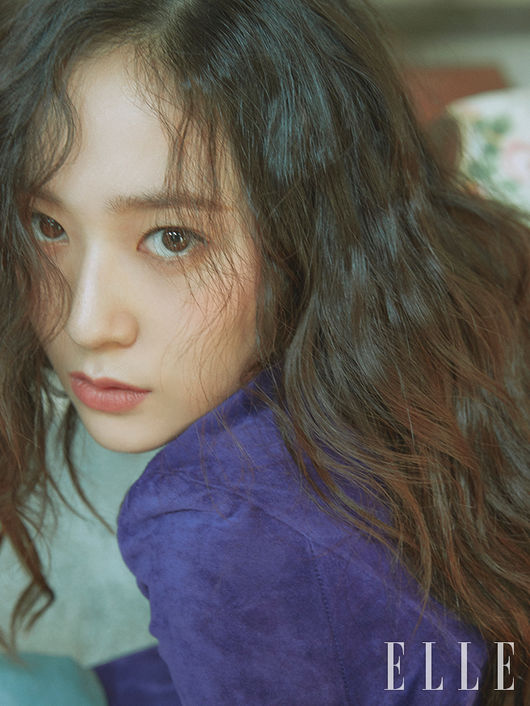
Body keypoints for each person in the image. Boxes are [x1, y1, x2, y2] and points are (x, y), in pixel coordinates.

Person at [0, 0, 528, 704]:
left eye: (173, 238)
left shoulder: (212, 527)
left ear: (308, 228)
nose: (87, 321)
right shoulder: (439, 301)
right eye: (47, 225)